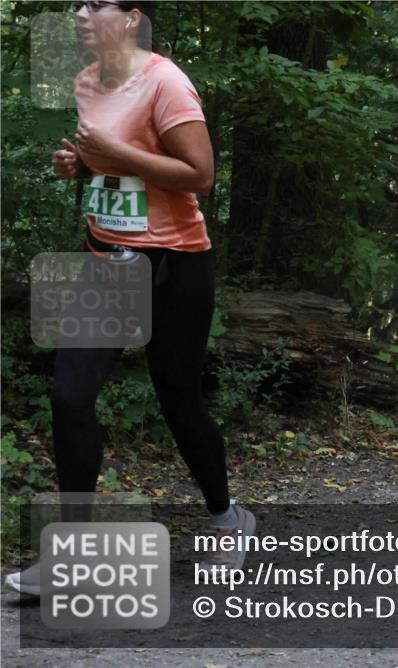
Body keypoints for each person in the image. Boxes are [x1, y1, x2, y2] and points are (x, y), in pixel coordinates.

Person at [5, 0, 253, 597]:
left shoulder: (165, 81)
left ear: (132, 17)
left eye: (96, 3)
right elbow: (110, 167)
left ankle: (228, 518)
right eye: (76, 5)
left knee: (178, 401)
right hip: (107, 261)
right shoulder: (87, 80)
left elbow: (199, 174)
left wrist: (114, 156)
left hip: (176, 265)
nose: (81, 14)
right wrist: (83, 165)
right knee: (69, 395)